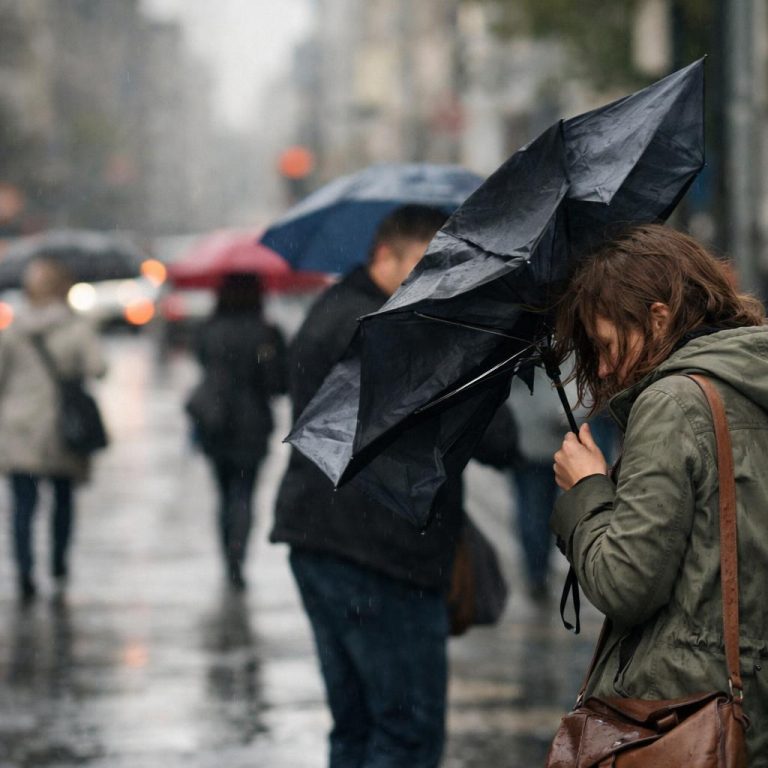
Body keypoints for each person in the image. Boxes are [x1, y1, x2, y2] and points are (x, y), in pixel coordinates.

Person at [550, 224, 767, 763]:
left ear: (659, 316)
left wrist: (587, 489)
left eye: (603, 345)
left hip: (682, 706)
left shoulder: (672, 403)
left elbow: (626, 583)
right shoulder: (748, 382)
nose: (600, 369)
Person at [272, 205, 461, 768]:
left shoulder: (336, 310)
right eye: (424, 265)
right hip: (380, 552)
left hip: (324, 537)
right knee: (404, 731)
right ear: (385, 258)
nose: (436, 279)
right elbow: (487, 437)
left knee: (355, 726)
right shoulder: (388, 328)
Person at [0, 258, 106, 602]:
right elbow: (98, 368)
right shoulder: (77, 327)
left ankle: (25, 572)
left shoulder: (13, 330)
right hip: (63, 428)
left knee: (23, 506)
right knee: (62, 502)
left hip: (20, 428)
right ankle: (58, 566)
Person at [188, 272, 286, 591]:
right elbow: (278, 384)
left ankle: (227, 558)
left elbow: (202, 363)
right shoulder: (266, 333)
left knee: (223, 492)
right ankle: (237, 561)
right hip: (252, 424)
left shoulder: (209, 329)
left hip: (213, 421)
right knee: (244, 494)